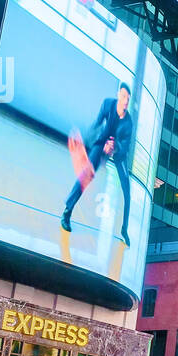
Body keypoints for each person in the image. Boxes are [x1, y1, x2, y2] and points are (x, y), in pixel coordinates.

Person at [61, 81, 135, 246]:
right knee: (86, 174)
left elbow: (126, 147)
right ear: (118, 95)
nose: (125, 101)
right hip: (102, 142)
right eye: (123, 97)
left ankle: (124, 229)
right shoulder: (107, 105)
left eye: (128, 99)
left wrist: (115, 147)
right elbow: (97, 124)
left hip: (118, 153)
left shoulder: (128, 123)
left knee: (127, 192)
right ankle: (67, 212)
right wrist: (84, 140)